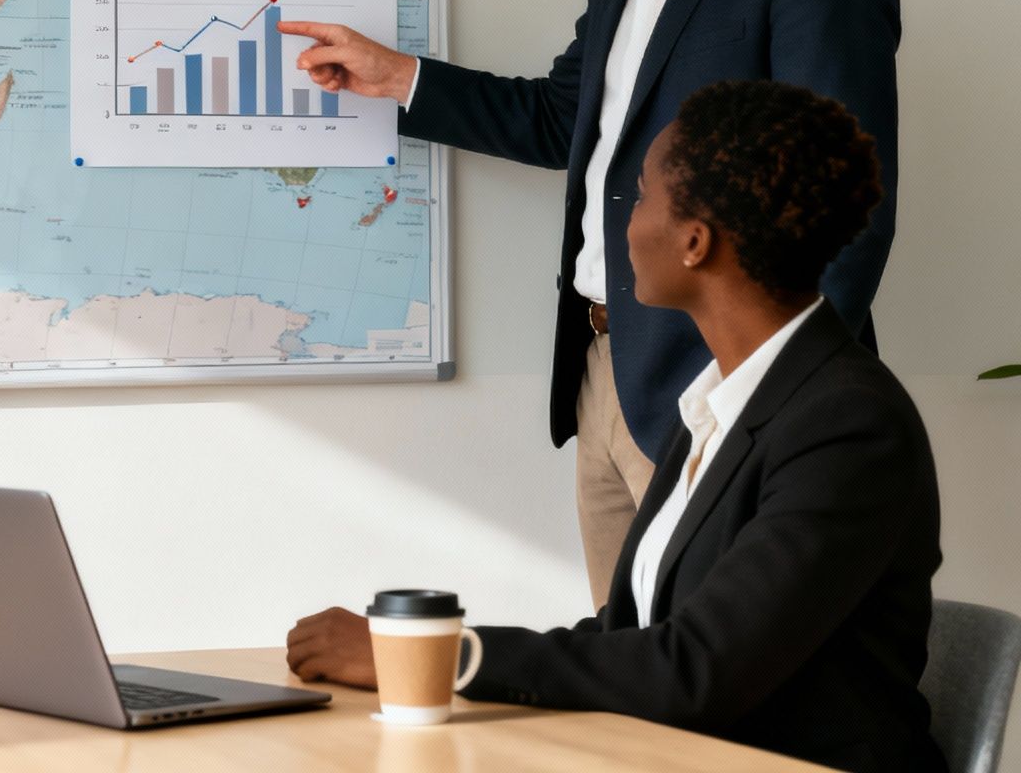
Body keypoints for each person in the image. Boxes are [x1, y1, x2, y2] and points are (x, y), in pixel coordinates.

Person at [278, 0, 900, 606]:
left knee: (716, 718)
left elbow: (847, 207)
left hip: (717, 390)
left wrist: (760, 411)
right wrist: (396, 75)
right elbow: (568, 121)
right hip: (607, 374)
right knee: (628, 712)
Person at [285, 81, 942, 773]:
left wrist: (430, 655)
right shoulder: (717, 403)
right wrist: (446, 661)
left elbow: (695, 670)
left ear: (695, 241)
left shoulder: (847, 424)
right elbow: (631, 634)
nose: (622, 221)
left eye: (641, 196)